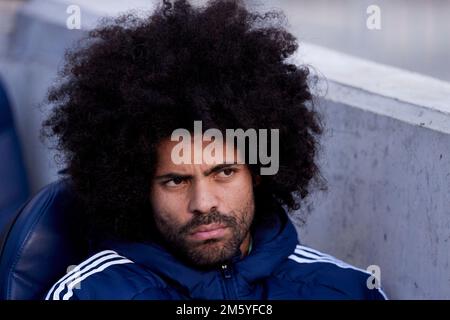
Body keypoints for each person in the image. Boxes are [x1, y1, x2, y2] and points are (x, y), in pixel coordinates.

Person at [42, 0, 387, 300]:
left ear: (258, 172)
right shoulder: (91, 293)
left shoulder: (347, 290)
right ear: (135, 188)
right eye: (176, 181)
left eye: (223, 172)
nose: (203, 203)